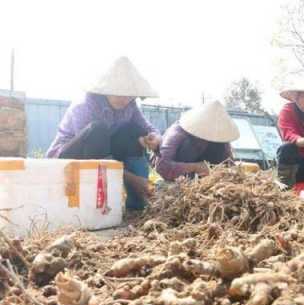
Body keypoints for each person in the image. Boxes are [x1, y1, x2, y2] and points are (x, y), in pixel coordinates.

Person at [46, 56, 160, 210]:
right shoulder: (85, 106)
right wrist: (132, 179)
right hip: (69, 156)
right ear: (106, 90)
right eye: (119, 94)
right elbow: (96, 152)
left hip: (102, 152)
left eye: (129, 95)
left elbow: (146, 127)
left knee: (133, 130)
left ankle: (137, 204)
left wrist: (155, 137)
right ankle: (101, 202)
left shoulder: (130, 106)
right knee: (98, 130)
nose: (125, 100)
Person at [151, 101, 240, 181]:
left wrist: (233, 173)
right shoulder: (177, 133)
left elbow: (229, 163)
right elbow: (161, 167)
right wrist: (195, 167)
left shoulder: (219, 138)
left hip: (206, 183)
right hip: (177, 182)